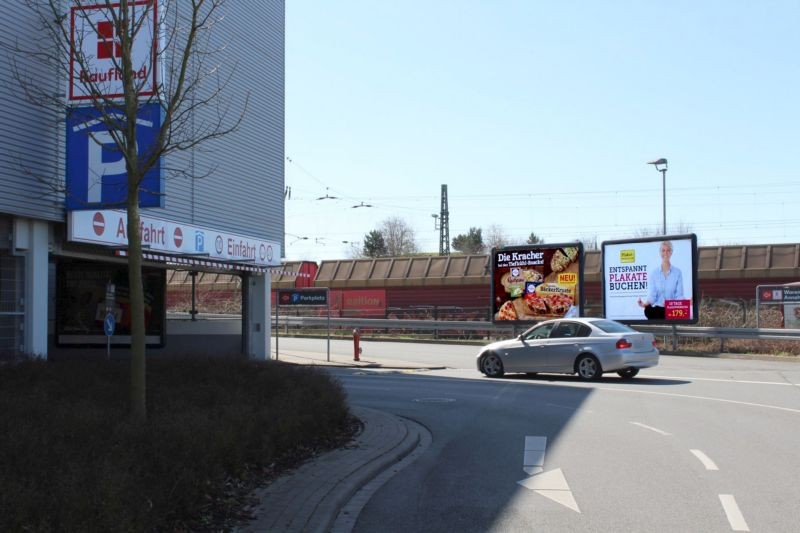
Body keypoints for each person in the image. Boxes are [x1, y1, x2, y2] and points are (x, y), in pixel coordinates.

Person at [637, 240, 683, 319]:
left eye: (668, 250)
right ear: (660, 252)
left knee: (673, 313)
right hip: (658, 310)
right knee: (648, 310)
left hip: (671, 310)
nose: (665, 253)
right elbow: (653, 295)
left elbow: (679, 296)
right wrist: (645, 304)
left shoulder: (678, 272)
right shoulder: (654, 273)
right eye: (663, 250)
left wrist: (671, 303)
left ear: (671, 252)